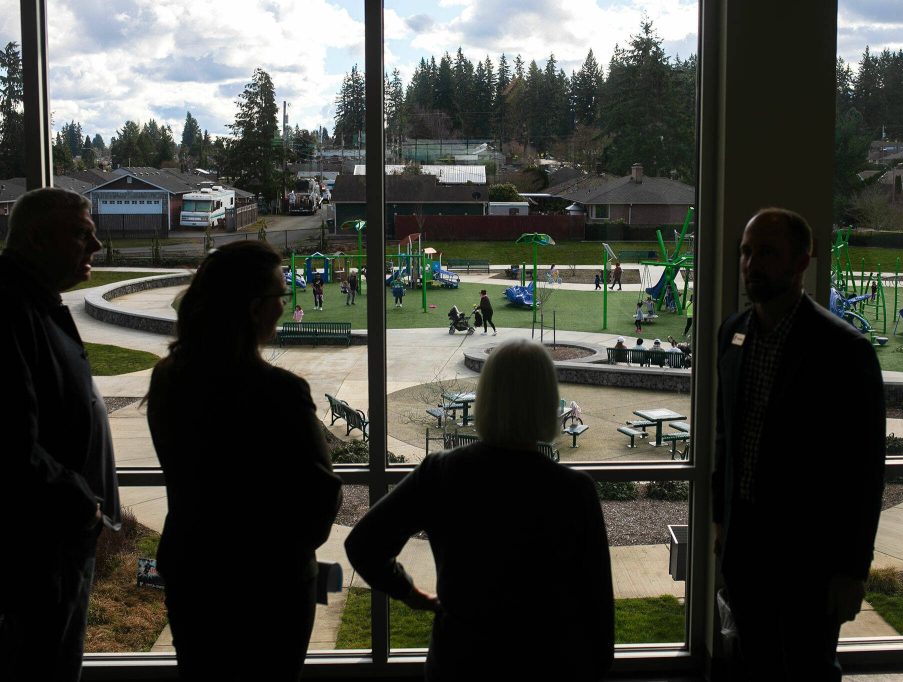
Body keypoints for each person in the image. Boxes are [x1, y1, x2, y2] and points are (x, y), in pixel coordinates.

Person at [345, 339, 614, 681]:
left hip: (460, 662)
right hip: (545, 664)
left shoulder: (440, 472)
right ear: (547, 403)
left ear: (486, 397)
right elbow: (598, 610)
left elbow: (363, 546)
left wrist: (411, 594)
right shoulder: (574, 491)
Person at [145, 241, 342, 681]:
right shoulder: (279, 391)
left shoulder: (168, 377)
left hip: (194, 573)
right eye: (280, 296)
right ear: (255, 309)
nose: (283, 305)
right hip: (270, 586)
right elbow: (320, 495)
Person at [713, 208, 884, 681]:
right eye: (746, 252)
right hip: (745, 548)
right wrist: (719, 518)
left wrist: (854, 570)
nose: (751, 263)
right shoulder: (733, 334)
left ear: (801, 262)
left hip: (809, 558)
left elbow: (865, 471)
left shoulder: (843, 352)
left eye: (767, 252)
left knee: (806, 669)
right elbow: (727, 433)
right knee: (751, 661)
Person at [0, 188, 121, 681]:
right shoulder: (9, 308)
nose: (96, 248)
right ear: (36, 237)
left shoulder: (32, 300)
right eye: (81, 235)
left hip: (56, 540)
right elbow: (8, 441)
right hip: (38, 549)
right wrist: (80, 501)